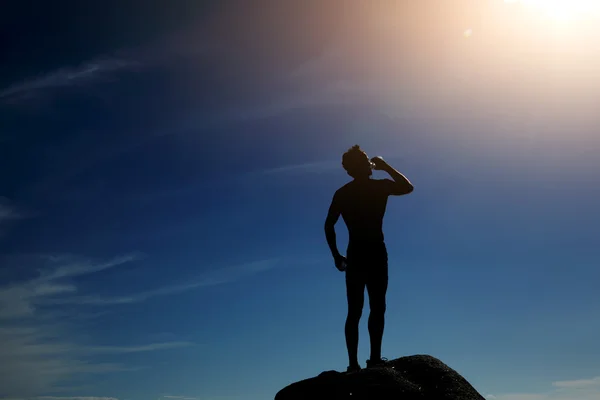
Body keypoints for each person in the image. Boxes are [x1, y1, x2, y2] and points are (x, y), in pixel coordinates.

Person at [324, 145, 414, 373]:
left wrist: (336, 255)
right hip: (372, 251)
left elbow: (329, 224)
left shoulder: (344, 193)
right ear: (360, 166)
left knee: (361, 309)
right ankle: (366, 361)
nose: (369, 163)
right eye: (365, 160)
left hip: (358, 252)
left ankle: (360, 362)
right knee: (371, 308)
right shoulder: (378, 187)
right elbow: (407, 187)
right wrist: (385, 165)